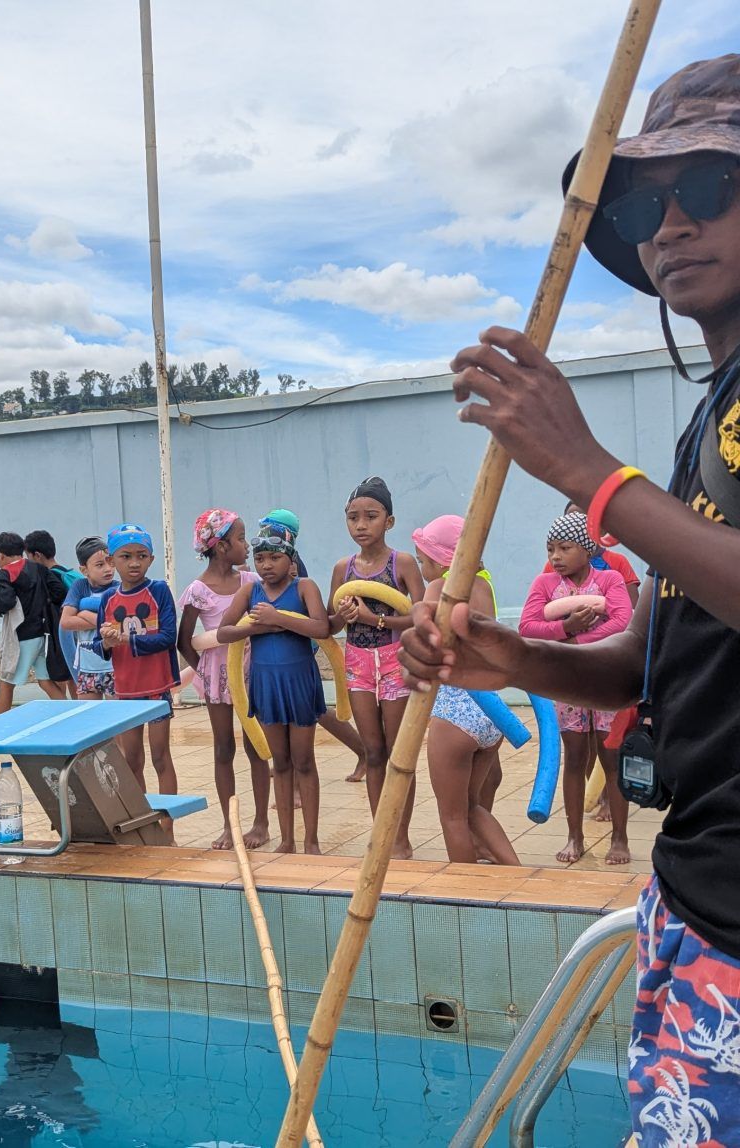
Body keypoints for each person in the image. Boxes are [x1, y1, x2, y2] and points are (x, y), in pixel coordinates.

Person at [397, 55, 740, 1141]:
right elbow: (657, 657)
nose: (671, 225)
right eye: (646, 205)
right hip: (700, 891)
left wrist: (587, 472)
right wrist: (511, 657)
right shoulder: (709, 421)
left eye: (711, 188)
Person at [518, 512, 632, 865]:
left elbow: (623, 621)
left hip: (605, 680)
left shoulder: (609, 580)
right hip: (567, 684)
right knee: (575, 757)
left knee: (611, 759)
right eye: (550, 549)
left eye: (564, 548)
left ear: (587, 549)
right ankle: (574, 836)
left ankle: (620, 838)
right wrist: (565, 627)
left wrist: (577, 641)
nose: (555, 556)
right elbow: (527, 626)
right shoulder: (545, 585)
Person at [328, 476, 424, 859]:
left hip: (395, 660)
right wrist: (344, 614)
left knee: (399, 753)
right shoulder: (343, 569)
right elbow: (331, 623)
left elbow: (421, 616)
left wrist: (374, 619)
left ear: (389, 521)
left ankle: (401, 836)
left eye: (371, 516)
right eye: (353, 517)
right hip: (358, 662)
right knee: (373, 752)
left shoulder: (402, 563)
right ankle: (379, 834)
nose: (361, 525)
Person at [413, 515, 518, 865]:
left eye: (423, 560)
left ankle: (464, 890)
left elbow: (427, 645)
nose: (422, 569)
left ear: (440, 559)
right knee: (472, 808)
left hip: (455, 711)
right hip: (489, 712)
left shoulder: (438, 588)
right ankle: (518, 873)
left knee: (452, 816)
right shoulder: (484, 584)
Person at [218, 523, 329, 854]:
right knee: (280, 762)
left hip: (299, 682)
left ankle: (311, 840)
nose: (266, 565)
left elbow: (321, 628)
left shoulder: (304, 587)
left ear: (291, 560)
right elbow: (224, 632)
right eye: (260, 558)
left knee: (304, 760)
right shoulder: (249, 592)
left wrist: (277, 618)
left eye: (274, 558)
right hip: (266, 684)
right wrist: (258, 628)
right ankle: (287, 840)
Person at [176, 509, 270, 850]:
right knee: (223, 748)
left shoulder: (251, 582)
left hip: (252, 672)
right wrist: (205, 672)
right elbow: (184, 641)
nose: (248, 546)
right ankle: (230, 825)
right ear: (220, 546)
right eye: (241, 539)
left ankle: (261, 823)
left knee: (256, 745)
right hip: (217, 677)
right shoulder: (198, 591)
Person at [260, 507, 367, 782]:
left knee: (307, 712)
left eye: (270, 527)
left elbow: (309, 616)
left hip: (298, 648)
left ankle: (297, 776)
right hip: (278, 649)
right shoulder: (271, 563)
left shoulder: (293, 567)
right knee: (304, 711)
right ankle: (287, 765)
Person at [91, 524, 180, 839]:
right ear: (111, 560)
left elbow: (168, 637)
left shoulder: (159, 591)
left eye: (141, 556)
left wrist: (126, 639)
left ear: (151, 559)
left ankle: (167, 826)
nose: (134, 563)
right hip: (126, 691)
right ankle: (143, 823)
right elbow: (99, 645)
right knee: (131, 760)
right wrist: (107, 642)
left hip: (156, 688)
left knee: (160, 756)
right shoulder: (108, 599)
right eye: (126, 556)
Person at [0, 532, 73, 714]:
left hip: (22, 637)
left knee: (6, 684)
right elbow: (59, 591)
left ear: (0, 555)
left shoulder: (5, 573)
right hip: (42, 634)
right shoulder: (38, 568)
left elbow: (6, 602)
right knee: (45, 681)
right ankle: (70, 715)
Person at [59, 536, 117, 700]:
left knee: (118, 714)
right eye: (100, 565)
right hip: (87, 670)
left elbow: (115, 625)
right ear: (84, 570)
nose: (108, 569)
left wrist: (83, 614)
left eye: (110, 562)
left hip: (114, 667)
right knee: (89, 714)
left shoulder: (118, 589)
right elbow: (66, 622)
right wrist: (100, 621)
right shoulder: (80, 587)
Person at [24, 528, 77, 695]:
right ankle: (79, 708)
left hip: (59, 635)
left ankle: (65, 710)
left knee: (58, 679)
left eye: (28, 556)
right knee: (74, 678)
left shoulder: (48, 578)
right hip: (77, 632)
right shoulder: (68, 573)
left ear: (37, 555)